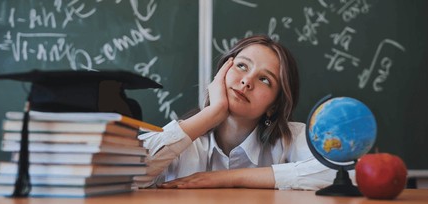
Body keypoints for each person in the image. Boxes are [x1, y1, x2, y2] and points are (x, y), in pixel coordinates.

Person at [136, 34, 335, 190]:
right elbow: (120, 172)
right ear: (221, 73)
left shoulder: (292, 139)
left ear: (274, 106)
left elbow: (344, 172)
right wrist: (212, 113)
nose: (247, 81)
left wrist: (228, 178)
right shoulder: (184, 143)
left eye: (265, 79)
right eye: (241, 66)